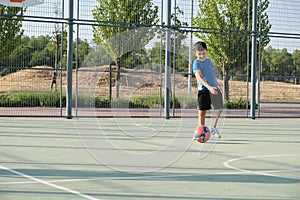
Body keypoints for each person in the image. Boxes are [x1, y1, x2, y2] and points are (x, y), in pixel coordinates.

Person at [192, 41, 223, 138]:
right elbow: (200, 78)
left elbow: (211, 75)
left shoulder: (209, 61)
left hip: (214, 89)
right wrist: (209, 87)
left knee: (219, 109)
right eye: (199, 54)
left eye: (203, 53)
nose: (201, 56)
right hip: (204, 90)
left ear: (207, 51)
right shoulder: (196, 63)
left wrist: (218, 85)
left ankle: (214, 128)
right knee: (202, 112)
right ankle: (200, 132)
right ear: (195, 53)